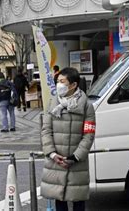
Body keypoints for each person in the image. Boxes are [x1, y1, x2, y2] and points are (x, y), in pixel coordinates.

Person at [41, 67, 95, 211]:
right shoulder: (52, 103)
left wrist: (75, 157)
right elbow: (46, 130)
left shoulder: (86, 106)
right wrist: (52, 153)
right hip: (56, 161)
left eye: (62, 81)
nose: (59, 84)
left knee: (78, 202)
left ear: (73, 85)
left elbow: (89, 134)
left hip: (77, 163)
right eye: (58, 81)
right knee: (60, 201)